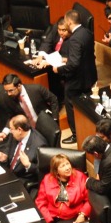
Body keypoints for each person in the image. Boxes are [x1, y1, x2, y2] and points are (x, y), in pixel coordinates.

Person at [42, 10, 96, 145]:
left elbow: (74, 64)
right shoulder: (87, 32)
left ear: (70, 22)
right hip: (90, 75)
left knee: (70, 105)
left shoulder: (75, 38)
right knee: (88, 104)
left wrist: (58, 68)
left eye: (66, 22)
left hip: (76, 80)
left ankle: (76, 134)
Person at [35, 153, 90, 223]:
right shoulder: (48, 179)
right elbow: (40, 202)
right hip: (51, 215)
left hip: (70, 217)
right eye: (63, 166)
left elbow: (90, 200)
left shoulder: (80, 177)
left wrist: (83, 214)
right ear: (56, 171)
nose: (67, 168)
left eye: (68, 164)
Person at [0, 73, 59, 138]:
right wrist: (5, 132)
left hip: (46, 124)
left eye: (11, 90)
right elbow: (12, 117)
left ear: (19, 86)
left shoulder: (36, 89)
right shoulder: (8, 99)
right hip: (30, 131)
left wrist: (54, 119)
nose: (8, 94)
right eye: (6, 91)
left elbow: (53, 100)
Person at [0, 115, 47, 184]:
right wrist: (5, 156)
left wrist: (28, 165)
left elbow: (43, 172)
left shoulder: (39, 146)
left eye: (11, 129)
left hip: (21, 179)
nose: (10, 132)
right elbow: (8, 146)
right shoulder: (16, 134)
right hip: (7, 170)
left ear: (19, 130)